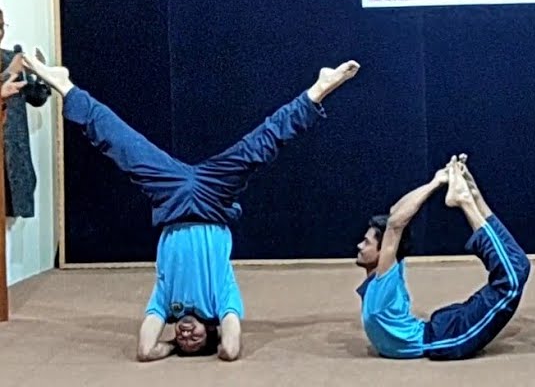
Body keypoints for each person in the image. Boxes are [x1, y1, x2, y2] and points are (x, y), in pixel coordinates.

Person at [21, 51, 359, 361]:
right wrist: (212, 345)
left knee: (120, 143)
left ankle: (64, 84)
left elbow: (144, 349)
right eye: (195, 339)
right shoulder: (221, 302)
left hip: (172, 200)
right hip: (212, 201)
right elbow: (229, 349)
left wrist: (167, 347)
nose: (186, 334)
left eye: (182, 340)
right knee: (261, 145)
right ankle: (319, 89)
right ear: (210, 330)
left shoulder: (165, 304)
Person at [356, 154, 530, 360]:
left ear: (381, 253)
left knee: (515, 274)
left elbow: (395, 219)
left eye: (367, 242)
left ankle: (470, 198)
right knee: (515, 273)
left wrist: (436, 181)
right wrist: (436, 181)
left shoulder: (384, 282)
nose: (359, 245)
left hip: (444, 335)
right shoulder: (379, 284)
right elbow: (395, 216)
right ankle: (469, 198)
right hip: (444, 334)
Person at [1, 10, 53, 219]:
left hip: (14, 151)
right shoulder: (12, 64)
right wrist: (9, 73)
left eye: (3, 25)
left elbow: (36, 97)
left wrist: (42, 76)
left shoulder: (10, 57)